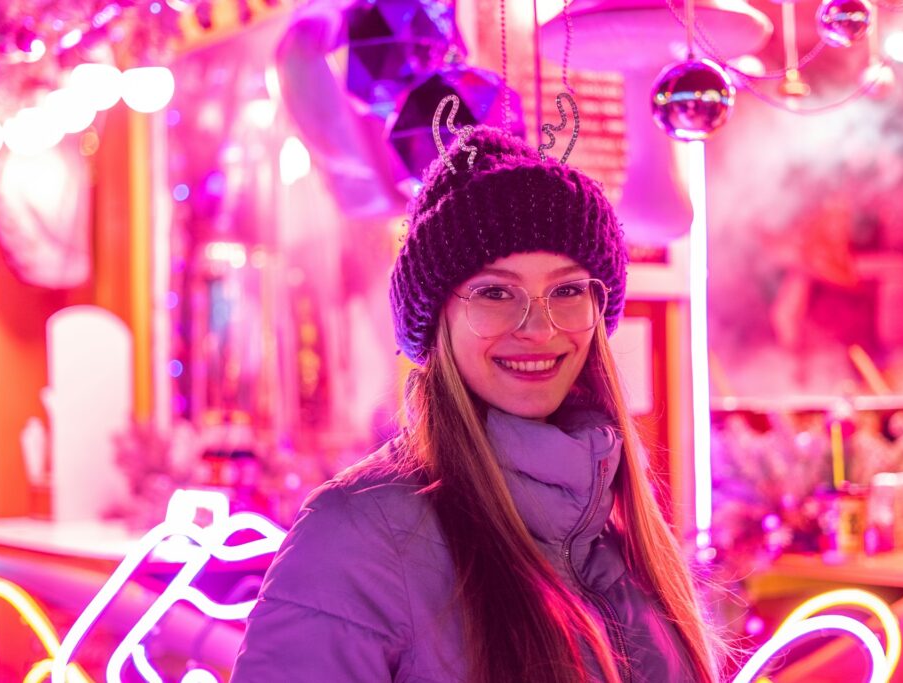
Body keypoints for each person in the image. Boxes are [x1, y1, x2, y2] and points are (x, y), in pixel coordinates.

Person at [231, 111, 720, 682]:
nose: (538, 328)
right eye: (494, 292)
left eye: (565, 290)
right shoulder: (357, 537)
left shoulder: (617, 535)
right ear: (436, 320)